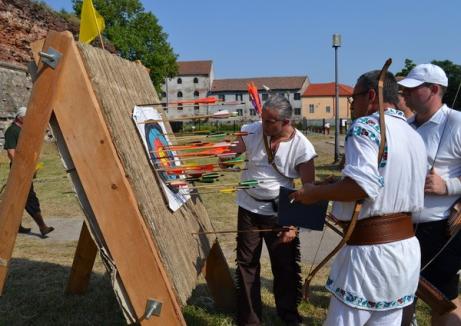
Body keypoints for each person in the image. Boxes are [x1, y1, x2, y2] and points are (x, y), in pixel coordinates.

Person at [290, 70, 427, 326]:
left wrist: (314, 193)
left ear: (372, 95)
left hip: (370, 254)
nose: (352, 105)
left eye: (355, 98)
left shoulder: (366, 126)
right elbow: (382, 182)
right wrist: (337, 185)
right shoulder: (413, 134)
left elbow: (362, 186)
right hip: (405, 250)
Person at [230, 94, 316, 325]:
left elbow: (309, 189)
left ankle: (288, 315)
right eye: (262, 118)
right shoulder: (251, 130)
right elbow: (231, 153)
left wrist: (294, 226)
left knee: (284, 266)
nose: (263, 124)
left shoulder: (303, 147)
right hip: (248, 207)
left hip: (281, 212)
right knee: (246, 264)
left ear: (286, 122)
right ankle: (249, 319)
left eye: (270, 121)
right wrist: (226, 156)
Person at [398, 63, 461, 326]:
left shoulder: (457, 122)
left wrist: (447, 187)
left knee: (442, 302)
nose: (405, 93)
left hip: (441, 229)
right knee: (400, 295)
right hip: (402, 225)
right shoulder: (405, 126)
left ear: (434, 89)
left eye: (413, 89)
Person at [4, 106, 54, 237]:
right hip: (19, 170)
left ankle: (15, 226)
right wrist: (22, 168)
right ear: (20, 118)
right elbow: (11, 152)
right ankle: (42, 227)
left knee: (16, 199)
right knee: (29, 197)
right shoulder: (12, 131)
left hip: (26, 168)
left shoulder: (23, 129)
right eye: (27, 117)